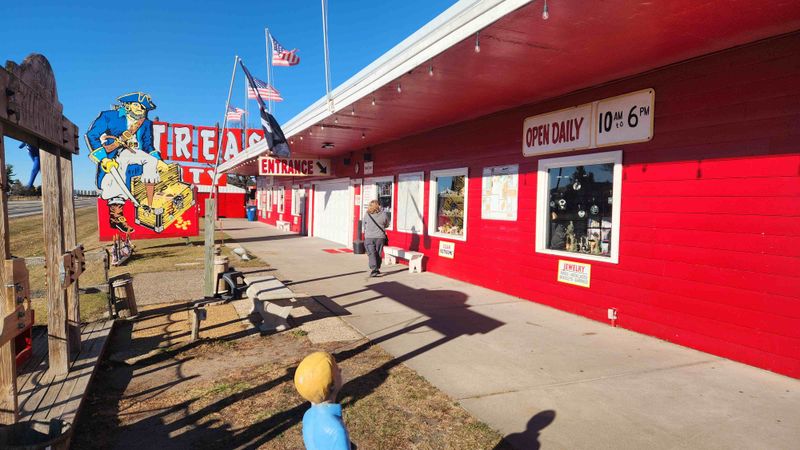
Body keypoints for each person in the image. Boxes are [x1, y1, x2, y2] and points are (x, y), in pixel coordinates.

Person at [85, 92, 165, 233]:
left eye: (143, 107)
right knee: (116, 174)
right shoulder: (110, 116)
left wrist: (158, 161)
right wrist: (104, 159)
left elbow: (148, 145)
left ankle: (149, 205)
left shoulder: (145, 124)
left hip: (136, 156)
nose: (141, 109)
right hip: (115, 156)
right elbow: (92, 135)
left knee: (151, 162)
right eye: (137, 105)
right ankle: (116, 217)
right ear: (127, 105)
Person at [294, 351, 351, 450]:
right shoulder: (337, 430)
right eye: (337, 369)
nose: (340, 370)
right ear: (332, 385)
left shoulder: (307, 415)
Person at [363, 199, 389, 277]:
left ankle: (374, 269)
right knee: (378, 253)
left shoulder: (367, 215)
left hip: (369, 237)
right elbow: (387, 225)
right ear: (378, 206)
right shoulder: (383, 214)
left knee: (371, 254)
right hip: (380, 237)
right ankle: (377, 268)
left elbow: (364, 225)